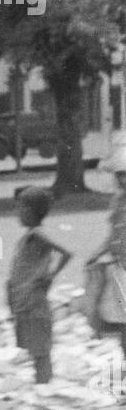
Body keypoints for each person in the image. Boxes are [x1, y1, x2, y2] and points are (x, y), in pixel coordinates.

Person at [6, 186, 72, 385]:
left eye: (20, 208)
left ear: (31, 211)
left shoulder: (38, 234)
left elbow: (66, 252)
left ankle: (44, 386)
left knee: (41, 352)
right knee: (35, 350)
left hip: (34, 301)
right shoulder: (29, 235)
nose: (17, 213)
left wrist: (50, 276)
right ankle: (41, 384)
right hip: (25, 300)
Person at [85, 139, 126, 361]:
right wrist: (96, 253)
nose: (123, 179)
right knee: (118, 319)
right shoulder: (118, 202)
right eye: (120, 175)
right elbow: (113, 234)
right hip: (121, 266)